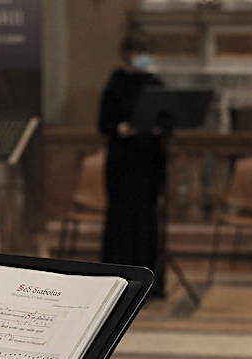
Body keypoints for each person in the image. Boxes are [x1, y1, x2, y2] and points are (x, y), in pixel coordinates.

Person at [98, 28, 167, 297]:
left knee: (147, 218)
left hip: (149, 162)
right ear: (128, 54)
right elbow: (104, 124)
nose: (143, 58)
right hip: (123, 163)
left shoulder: (156, 85)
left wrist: (161, 128)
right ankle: (119, 281)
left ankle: (150, 281)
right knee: (122, 220)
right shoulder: (116, 84)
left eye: (146, 52)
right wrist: (122, 128)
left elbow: (167, 118)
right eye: (139, 52)